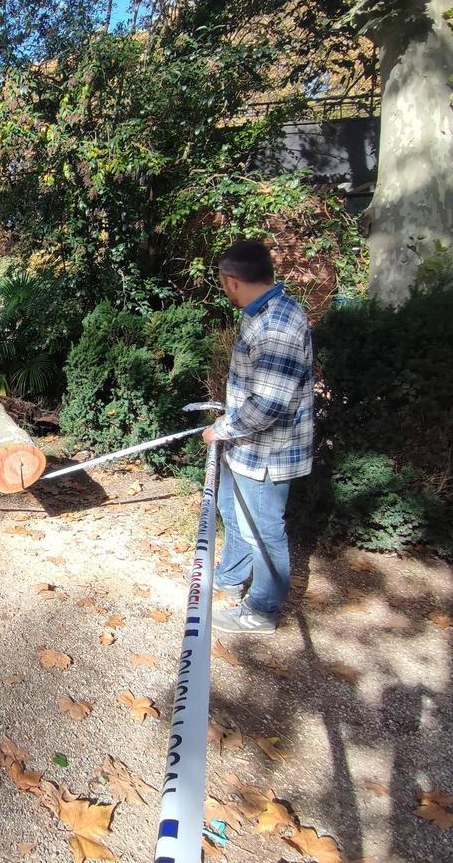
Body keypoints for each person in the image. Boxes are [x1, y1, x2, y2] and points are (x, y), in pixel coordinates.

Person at [201, 239, 314, 635]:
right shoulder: (260, 313)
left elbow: (269, 404)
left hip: (268, 453)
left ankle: (263, 609)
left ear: (232, 281)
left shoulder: (278, 323)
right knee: (232, 514)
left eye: (221, 283)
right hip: (244, 448)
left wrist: (221, 429)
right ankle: (230, 576)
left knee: (262, 530)